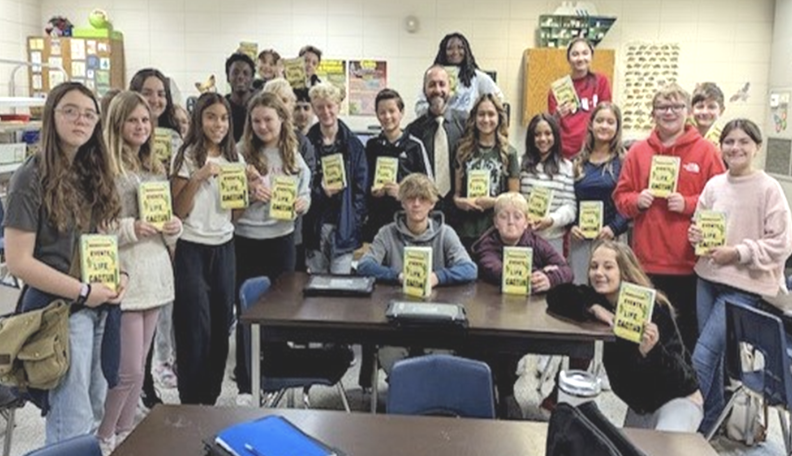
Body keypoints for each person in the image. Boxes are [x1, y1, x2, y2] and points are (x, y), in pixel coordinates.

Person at [4, 81, 126, 444]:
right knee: (70, 419)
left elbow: (100, 243)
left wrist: (118, 274)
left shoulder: (92, 172)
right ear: (51, 116)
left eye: (89, 114)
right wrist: (83, 290)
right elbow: (19, 261)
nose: (80, 120)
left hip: (99, 305)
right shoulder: (31, 177)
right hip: (59, 309)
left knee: (94, 407)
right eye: (70, 111)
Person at [687, 119, 792, 435]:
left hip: (744, 287)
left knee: (702, 357)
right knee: (714, 358)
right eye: (729, 141)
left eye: (744, 141)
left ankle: (691, 432)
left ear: (757, 147)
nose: (735, 147)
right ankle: (713, 416)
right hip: (707, 278)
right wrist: (696, 234)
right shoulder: (714, 185)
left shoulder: (769, 188)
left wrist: (738, 252)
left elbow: (781, 243)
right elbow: (699, 223)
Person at [96, 91, 182, 452]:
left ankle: (126, 432)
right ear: (116, 122)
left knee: (140, 363)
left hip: (155, 274)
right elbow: (97, 226)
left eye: (146, 120)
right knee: (126, 370)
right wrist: (132, 228)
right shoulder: (105, 169)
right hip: (125, 276)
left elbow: (163, 217)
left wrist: (172, 227)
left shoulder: (153, 166)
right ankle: (102, 436)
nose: (141, 126)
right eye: (133, 120)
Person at [613, 84, 726, 354]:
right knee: (645, 338)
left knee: (685, 339)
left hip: (690, 265)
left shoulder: (707, 151)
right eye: (663, 107)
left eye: (676, 107)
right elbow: (620, 197)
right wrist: (636, 201)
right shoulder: (638, 152)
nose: (669, 112)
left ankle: (686, 395)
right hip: (645, 262)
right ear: (653, 113)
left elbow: (723, 199)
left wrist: (688, 204)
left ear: (687, 112)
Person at [547, 240, 704, 433]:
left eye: (608, 267)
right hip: (641, 406)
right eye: (594, 266)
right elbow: (556, 295)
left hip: (678, 399)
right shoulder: (598, 300)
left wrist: (653, 352)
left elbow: (682, 377)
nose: (599, 273)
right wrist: (592, 308)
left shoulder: (654, 309)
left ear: (624, 271)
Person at [170, 92, 250, 405]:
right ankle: (191, 398)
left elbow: (235, 214)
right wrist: (198, 178)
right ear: (199, 119)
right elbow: (177, 209)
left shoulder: (235, 159)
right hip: (191, 248)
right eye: (211, 117)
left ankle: (211, 397)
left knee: (220, 326)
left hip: (224, 247)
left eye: (224, 118)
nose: (218, 124)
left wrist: (246, 194)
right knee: (193, 327)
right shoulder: (187, 155)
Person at [233, 91, 311, 402]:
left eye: (269, 119)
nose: (263, 126)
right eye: (256, 121)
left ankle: (277, 375)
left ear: (281, 119)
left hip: (281, 239)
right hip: (247, 239)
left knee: (281, 312)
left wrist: (304, 202)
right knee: (247, 312)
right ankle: (245, 383)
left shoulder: (292, 150)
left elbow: (305, 190)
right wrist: (249, 195)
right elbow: (228, 200)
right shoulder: (240, 152)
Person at [357, 173, 477, 372]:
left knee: (442, 354)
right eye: (410, 198)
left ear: (432, 204)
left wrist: (436, 277)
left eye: (422, 199)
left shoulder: (446, 233)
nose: (416, 204)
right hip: (398, 317)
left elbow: (470, 269)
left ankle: (431, 395)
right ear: (402, 203)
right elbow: (364, 265)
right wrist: (398, 276)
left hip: (437, 316)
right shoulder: (387, 232)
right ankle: (404, 393)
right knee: (390, 355)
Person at [471, 192, 573, 415]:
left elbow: (565, 269)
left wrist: (550, 279)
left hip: (528, 315)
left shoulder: (537, 242)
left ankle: (521, 394)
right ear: (495, 222)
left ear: (526, 222)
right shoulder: (486, 244)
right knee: (497, 347)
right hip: (492, 314)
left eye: (517, 217)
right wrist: (537, 272)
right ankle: (504, 394)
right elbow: (494, 269)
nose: (510, 222)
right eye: (504, 216)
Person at [129, 67, 182, 405]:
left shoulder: (173, 138)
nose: (156, 100)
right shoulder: (126, 146)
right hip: (131, 245)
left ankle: (148, 382)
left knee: (159, 316)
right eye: (149, 93)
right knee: (133, 335)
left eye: (161, 93)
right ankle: (138, 386)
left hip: (164, 237)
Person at [303, 82, 367, 274]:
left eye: (330, 106)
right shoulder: (306, 144)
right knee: (316, 283)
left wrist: (354, 220)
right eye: (320, 107)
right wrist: (320, 192)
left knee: (341, 285)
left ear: (338, 106)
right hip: (315, 225)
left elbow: (361, 188)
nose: (326, 111)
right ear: (314, 109)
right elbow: (301, 185)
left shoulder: (354, 145)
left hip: (344, 226)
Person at [569, 102, 629, 284]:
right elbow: (569, 199)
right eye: (600, 120)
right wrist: (572, 226)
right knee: (580, 290)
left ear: (617, 128)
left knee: (609, 289)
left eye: (610, 122)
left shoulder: (624, 161)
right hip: (581, 239)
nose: (604, 126)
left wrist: (613, 228)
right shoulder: (576, 162)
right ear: (591, 124)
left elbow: (628, 204)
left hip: (613, 238)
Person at [262, 79, 317, 273]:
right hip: (257, 229)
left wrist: (303, 199)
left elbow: (308, 181)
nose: (281, 106)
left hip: (291, 229)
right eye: (275, 100)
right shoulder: (254, 140)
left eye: (285, 100)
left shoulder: (301, 142)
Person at [364, 88, 432, 242]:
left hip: (407, 221)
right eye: (382, 112)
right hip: (378, 221)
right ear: (377, 115)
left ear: (401, 113)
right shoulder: (372, 146)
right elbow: (364, 181)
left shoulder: (415, 145)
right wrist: (372, 191)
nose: (387, 116)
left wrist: (403, 192)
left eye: (392, 111)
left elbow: (429, 187)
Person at [453, 94, 519, 248]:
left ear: (499, 117)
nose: (486, 119)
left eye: (491, 114)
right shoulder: (461, 150)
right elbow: (456, 195)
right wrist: (461, 202)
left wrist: (494, 202)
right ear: (474, 118)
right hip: (465, 230)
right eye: (481, 114)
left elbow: (514, 198)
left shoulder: (509, 153)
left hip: (496, 230)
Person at [406, 65, 467, 220]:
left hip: (461, 210)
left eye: (442, 84)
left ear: (449, 88)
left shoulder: (466, 124)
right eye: (432, 84)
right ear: (424, 89)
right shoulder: (413, 131)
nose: (437, 89)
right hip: (426, 211)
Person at [519, 113, 576, 255]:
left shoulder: (567, 167)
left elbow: (570, 207)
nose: (543, 139)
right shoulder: (520, 164)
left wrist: (550, 220)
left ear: (555, 136)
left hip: (553, 240)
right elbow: (514, 198)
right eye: (537, 134)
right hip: (522, 237)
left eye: (548, 133)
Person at [548, 38, 612, 160]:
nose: (580, 58)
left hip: (593, 151)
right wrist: (557, 115)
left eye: (585, 53)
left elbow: (607, 118)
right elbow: (551, 126)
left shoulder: (601, 82)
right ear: (568, 59)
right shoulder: (557, 89)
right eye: (575, 54)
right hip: (564, 153)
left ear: (591, 56)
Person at [415, 32, 504, 116]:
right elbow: (419, 107)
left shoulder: (477, 77)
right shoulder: (434, 76)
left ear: (466, 50)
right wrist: (431, 111)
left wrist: (478, 114)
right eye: (450, 48)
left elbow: (498, 99)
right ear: (443, 51)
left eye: (460, 47)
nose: (455, 52)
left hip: (466, 130)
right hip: (438, 127)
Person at [225, 52, 256, 143]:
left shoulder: (259, 106)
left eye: (246, 73)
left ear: (252, 78)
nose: (240, 77)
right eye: (235, 73)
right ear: (228, 77)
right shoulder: (222, 107)